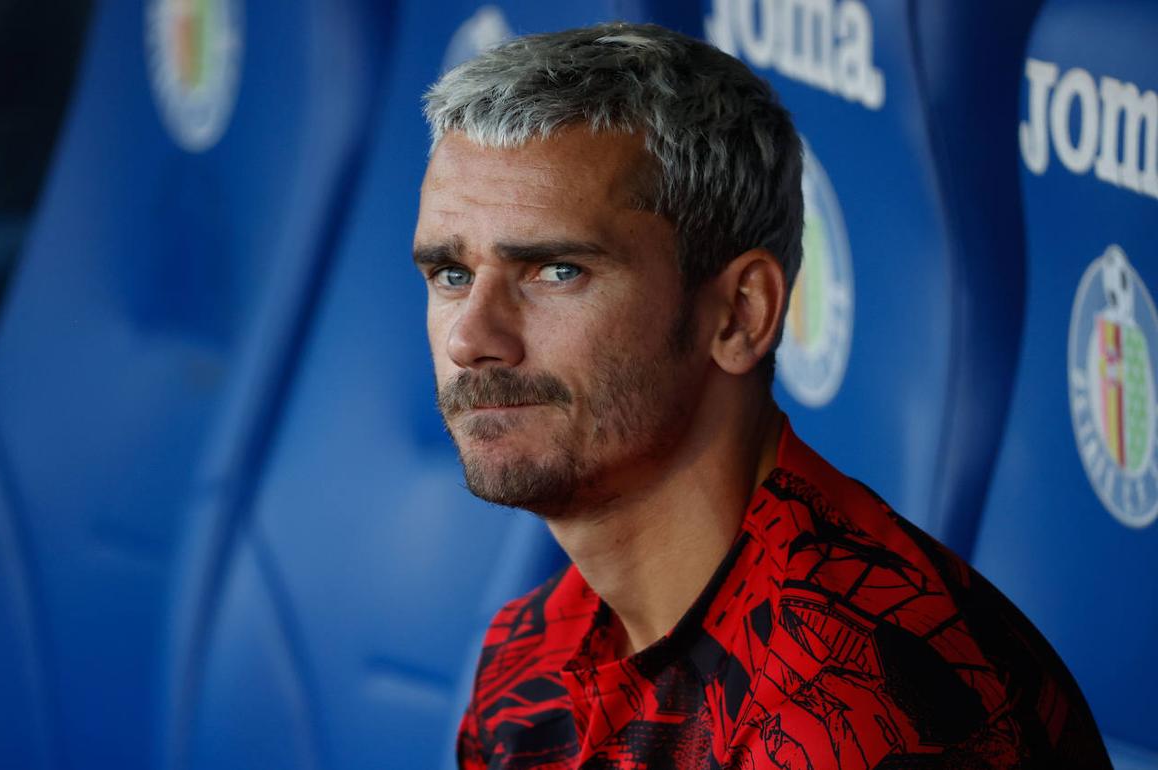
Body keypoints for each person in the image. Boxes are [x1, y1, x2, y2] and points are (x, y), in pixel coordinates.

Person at [413, 22, 1111, 770]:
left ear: (741, 313)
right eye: (451, 275)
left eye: (556, 271)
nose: (471, 338)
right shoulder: (531, 659)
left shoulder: (863, 711)